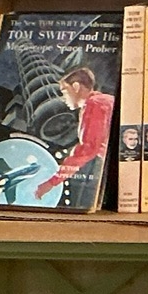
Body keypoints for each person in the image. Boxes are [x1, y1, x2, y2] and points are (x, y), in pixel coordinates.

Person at [33, 66, 114, 210]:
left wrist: (51, 182)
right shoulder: (106, 100)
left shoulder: (93, 105)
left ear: (76, 87)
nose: (63, 98)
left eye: (64, 91)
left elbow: (88, 148)